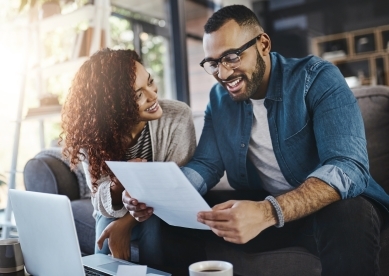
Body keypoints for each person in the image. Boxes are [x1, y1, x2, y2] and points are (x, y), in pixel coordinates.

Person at [123, 4, 389, 275]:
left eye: (232, 57)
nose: (223, 74)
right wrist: (161, 195)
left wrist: (267, 212)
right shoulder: (220, 100)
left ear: (263, 44)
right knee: (163, 219)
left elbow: (348, 166)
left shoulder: (317, 78)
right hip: (265, 206)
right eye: (213, 63)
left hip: (325, 211)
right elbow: (206, 164)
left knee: (348, 213)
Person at [60, 48, 196, 266]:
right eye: (139, 95)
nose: (153, 96)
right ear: (114, 107)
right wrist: (117, 184)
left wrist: (124, 225)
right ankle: (101, 270)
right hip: (115, 210)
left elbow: (175, 189)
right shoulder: (92, 135)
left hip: (162, 212)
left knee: (150, 221)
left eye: (150, 82)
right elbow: (99, 201)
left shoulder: (177, 116)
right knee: (105, 220)